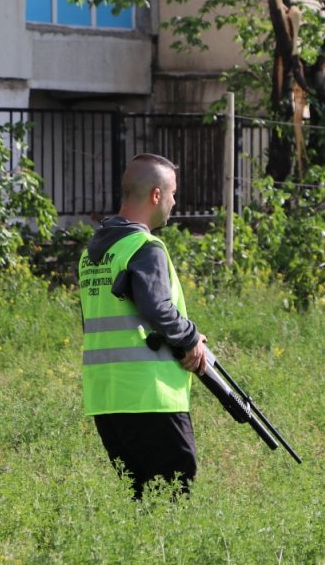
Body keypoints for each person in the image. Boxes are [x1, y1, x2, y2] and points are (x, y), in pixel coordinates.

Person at [78, 153, 208, 499]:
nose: (174, 202)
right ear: (156, 194)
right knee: (173, 492)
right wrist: (192, 339)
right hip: (149, 396)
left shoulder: (93, 254)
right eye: (173, 193)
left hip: (106, 399)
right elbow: (158, 309)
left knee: (142, 498)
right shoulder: (144, 247)